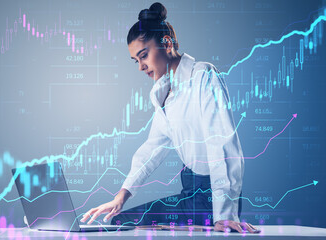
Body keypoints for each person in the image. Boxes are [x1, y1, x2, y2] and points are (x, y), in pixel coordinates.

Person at [80, 2, 259, 233]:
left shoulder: (203, 76)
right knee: (120, 220)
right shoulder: (163, 92)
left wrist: (224, 215)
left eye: (143, 55)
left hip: (212, 200)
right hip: (190, 193)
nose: (141, 67)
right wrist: (121, 196)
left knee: (126, 225)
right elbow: (152, 149)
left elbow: (222, 144)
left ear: (166, 43)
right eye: (136, 60)